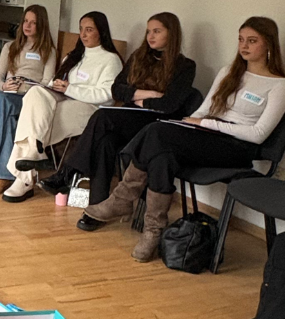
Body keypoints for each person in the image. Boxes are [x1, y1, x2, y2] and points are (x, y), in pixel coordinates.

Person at [82, 16, 285, 261]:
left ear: (269, 44)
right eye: (241, 39)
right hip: (208, 135)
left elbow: (259, 134)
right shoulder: (228, 72)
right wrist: (188, 122)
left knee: (157, 132)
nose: (244, 46)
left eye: (252, 41)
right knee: (162, 154)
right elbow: (204, 110)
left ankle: (123, 198)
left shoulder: (279, 85)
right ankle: (153, 231)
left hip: (238, 147)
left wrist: (207, 124)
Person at [42, 14, 197, 224]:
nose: (150, 36)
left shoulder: (185, 66)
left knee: (102, 115)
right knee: (105, 142)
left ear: (172, 33)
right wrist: (147, 95)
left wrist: (137, 99)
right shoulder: (138, 57)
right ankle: (96, 208)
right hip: (130, 117)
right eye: (148, 31)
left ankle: (68, 172)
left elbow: (170, 105)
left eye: (157, 31)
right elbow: (117, 90)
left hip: (156, 125)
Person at [2, 11, 124, 203]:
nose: (83, 34)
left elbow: (107, 96)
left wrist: (70, 89)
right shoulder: (74, 56)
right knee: (35, 94)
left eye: (89, 30)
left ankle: (24, 177)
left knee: (40, 118)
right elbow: (56, 80)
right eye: (81, 29)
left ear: (101, 32)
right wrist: (55, 85)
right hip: (64, 98)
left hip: (91, 109)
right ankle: (34, 152)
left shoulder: (111, 60)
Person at [0, 5, 56, 194]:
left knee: (2, 101)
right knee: (7, 114)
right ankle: (3, 175)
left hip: (31, 99)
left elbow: (47, 83)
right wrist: (4, 85)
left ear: (41, 25)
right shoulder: (10, 47)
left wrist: (25, 86)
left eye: (33, 23)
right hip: (9, 94)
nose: (27, 26)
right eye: (25, 21)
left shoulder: (48, 51)